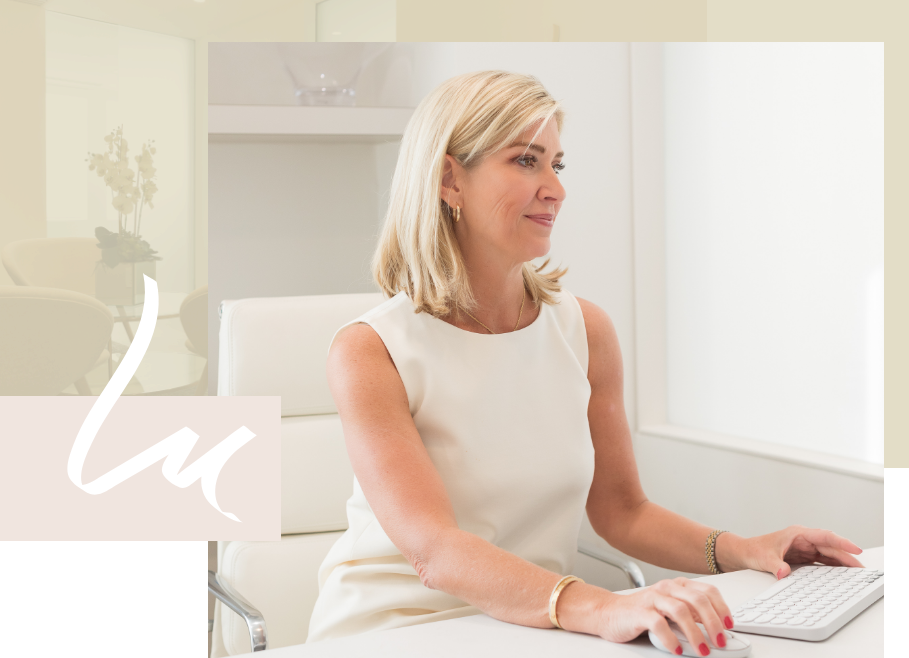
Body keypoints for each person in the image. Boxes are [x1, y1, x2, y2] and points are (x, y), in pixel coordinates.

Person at [306, 70, 864, 653]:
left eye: (557, 164)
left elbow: (623, 512)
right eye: (526, 161)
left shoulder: (585, 331)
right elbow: (436, 551)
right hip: (390, 632)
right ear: (449, 179)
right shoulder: (371, 350)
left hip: (524, 628)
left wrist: (749, 549)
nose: (556, 188)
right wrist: (603, 605)